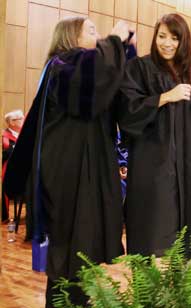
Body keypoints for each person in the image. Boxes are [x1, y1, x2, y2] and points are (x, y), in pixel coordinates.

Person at [4, 17, 133, 307]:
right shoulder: (62, 67)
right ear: (69, 37)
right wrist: (114, 42)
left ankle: (75, 300)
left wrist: (126, 51)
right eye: (91, 31)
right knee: (69, 252)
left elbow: (110, 87)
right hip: (65, 175)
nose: (99, 36)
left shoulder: (76, 68)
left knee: (82, 248)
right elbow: (93, 84)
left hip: (84, 172)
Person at [118, 13, 191, 257]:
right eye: (161, 36)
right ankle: (145, 293)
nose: (167, 43)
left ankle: (183, 291)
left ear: (183, 42)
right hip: (154, 164)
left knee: (189, 236)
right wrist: (165, 97)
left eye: (174, 38)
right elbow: (127, 111)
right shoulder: (139, 68)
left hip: (189, 166)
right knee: (151, 231)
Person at [2, 110, 24, 222]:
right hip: (10, 171)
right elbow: (6, 154)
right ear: (12, 122)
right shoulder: (4, 136)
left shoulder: (23, 134)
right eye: (20, 118)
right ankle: (5, 216)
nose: (23, 119)